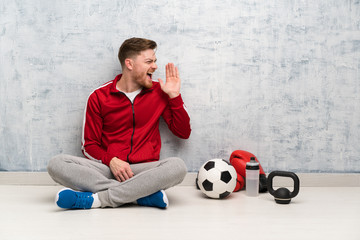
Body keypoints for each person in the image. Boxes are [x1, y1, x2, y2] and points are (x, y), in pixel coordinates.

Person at [47, 37, 191, 210]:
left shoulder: (159, 93)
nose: (155, 66)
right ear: (129, 64)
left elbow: (183, 132)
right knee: (57, 164)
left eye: (154, 61)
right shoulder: (98, 97)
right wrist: (112, 161)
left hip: (144, 171)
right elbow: (89, 146)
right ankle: (140, 196)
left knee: (177, 167)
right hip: (108, 169)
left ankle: (98, 199)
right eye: (149, 61)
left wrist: (174, 96)